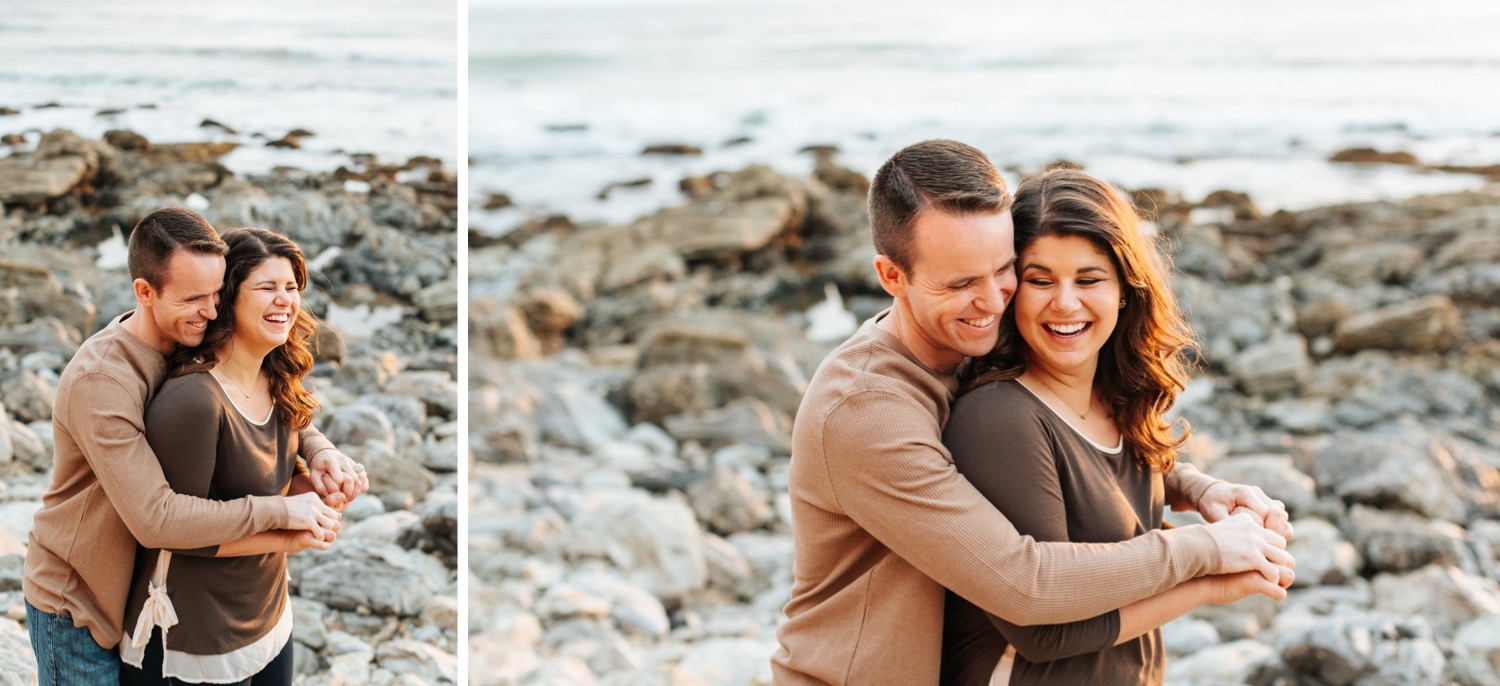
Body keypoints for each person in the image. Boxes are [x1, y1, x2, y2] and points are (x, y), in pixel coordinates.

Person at [771, 140, 1293, 685]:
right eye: (961, 282)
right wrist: (1203, 550)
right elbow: (1024, 583)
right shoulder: (866, 409)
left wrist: (1190, 484)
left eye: (1004, 270)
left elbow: (1071, 441)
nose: (994, 301)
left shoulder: (968, 342)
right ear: (891, 276)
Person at [941, 168, 1289, 686]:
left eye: (1088, 279)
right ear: (1011, 290)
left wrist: (1201, 489)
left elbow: (1114, 531)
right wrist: (1212, 572)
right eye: (1040, 280)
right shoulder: (999, 419)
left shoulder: (1112, 395)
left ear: (1126, 288)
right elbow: (1043, 634)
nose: (1065, 302)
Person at [23, 208, 367, 686]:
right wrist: (282, 513)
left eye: (217, 293)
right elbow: (156, 518)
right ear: (145, 293)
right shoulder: (101, 380)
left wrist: (318, 446)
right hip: (80, 600)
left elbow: (247, 396)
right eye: (195, 299)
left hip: (137, 580)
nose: (212, 310)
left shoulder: (183, 335)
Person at [119, 227, 347, 684]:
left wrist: (325, 474)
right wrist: (288, 531)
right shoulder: (193, 401)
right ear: (227, 299)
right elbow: (176, 532)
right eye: (267, 287)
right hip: (196, 642)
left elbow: (273, 459)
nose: (285, 300)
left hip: (268, 617)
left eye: (291, 288)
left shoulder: (274, 375)